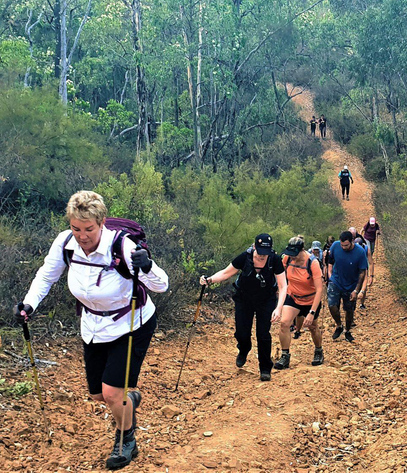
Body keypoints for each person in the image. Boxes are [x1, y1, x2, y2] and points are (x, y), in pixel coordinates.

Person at [14, 190, 169, 470]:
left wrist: (147, 267)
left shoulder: (122, 246)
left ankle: (126, 441)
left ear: (102, 223)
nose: (82, 235)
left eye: (89, 229)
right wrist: (29, 304)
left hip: (131, 324)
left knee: (111, 393)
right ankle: (129, 399)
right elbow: (46, 275)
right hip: (93, 325)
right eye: (75, 228)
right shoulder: (65, 243)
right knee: (98, 394)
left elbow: (161, 285)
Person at [200, 233, 287, 382]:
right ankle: (244, 349)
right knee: (242, 331)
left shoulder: (275, 260)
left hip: (266, 300)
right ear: (254, 247)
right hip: (244, 298)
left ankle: (265, 368)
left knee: (263, 334)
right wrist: (209, 280)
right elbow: (226, 272)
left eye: (265, 253)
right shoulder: (244, 257)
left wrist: (278, 308)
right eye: (259, 252)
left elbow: (283, 285)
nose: (262, 256)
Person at [274, 236, 325, 370]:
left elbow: (320, 290)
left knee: (313, 327)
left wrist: (311, 313)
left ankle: (318, 351)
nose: (293, 257)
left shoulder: (312, 263)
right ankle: (285, 355)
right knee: (284, 323)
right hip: (293, 296)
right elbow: (280, 275)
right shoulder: (287, 259)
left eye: (295, 254)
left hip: (310, 299)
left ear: (302, 250)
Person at [325, 230, 368, 342]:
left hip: (351, 284)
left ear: (352, 241)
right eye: (342, 245)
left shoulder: (360, 252)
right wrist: (329, 275)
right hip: (336, 280)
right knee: (332, 305)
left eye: (346, 245)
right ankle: (339, 325)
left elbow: (362, 272)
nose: (343, 247)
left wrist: (357, 290)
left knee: (349, 310)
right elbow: (330, 260)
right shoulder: (335, 246)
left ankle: (347, 330)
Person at [349, 227, 375, 309]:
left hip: (363, 266)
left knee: (364, 283)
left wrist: (371, 276)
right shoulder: (350, 246)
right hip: (354, 267)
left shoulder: (366, 248)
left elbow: (371, 262)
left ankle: (361, 303)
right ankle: (353, 301)